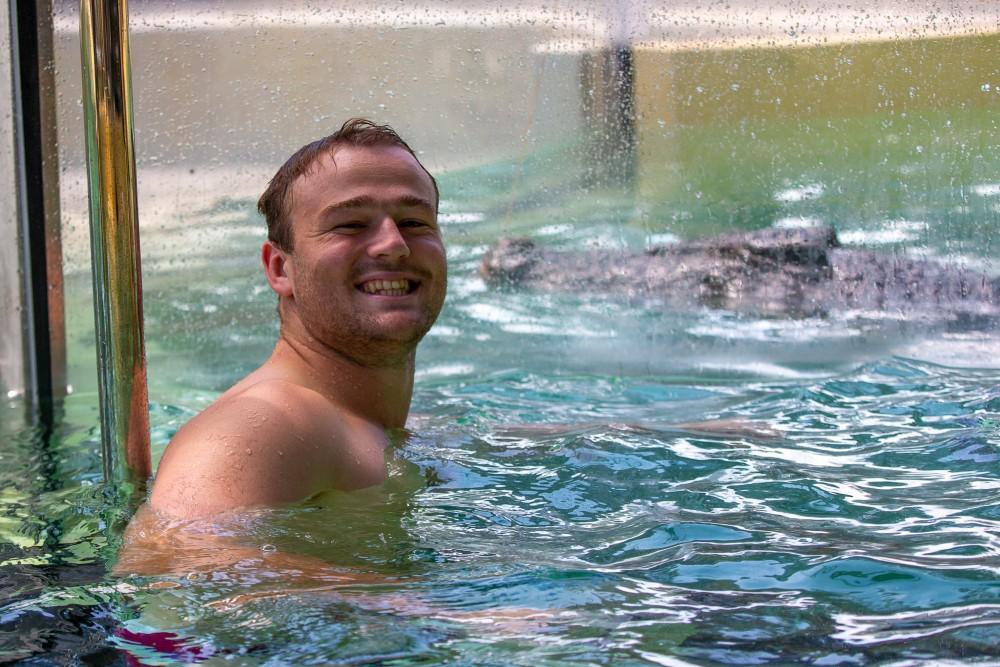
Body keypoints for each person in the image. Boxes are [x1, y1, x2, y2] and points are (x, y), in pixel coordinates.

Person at [148, 118, 447, 519]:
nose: (394, 245)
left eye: (414, 222)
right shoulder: (263, 425)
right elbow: (174, 564)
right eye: (350, 225)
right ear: (279, 268)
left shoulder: (368, 425)